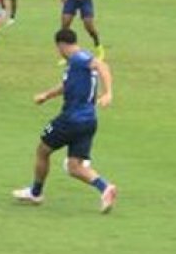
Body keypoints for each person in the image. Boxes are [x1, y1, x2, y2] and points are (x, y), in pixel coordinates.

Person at [13, 28, 117, 214]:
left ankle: (36, 193)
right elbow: (67, 85)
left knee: (42, 150)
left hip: (71, 119)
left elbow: (103, 66)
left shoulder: (79, 58)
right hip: (89, 121)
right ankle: (105, 188)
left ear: (61, 45)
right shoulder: (79, 61)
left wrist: (108, 93)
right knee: (74, 166)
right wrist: (46, 95)